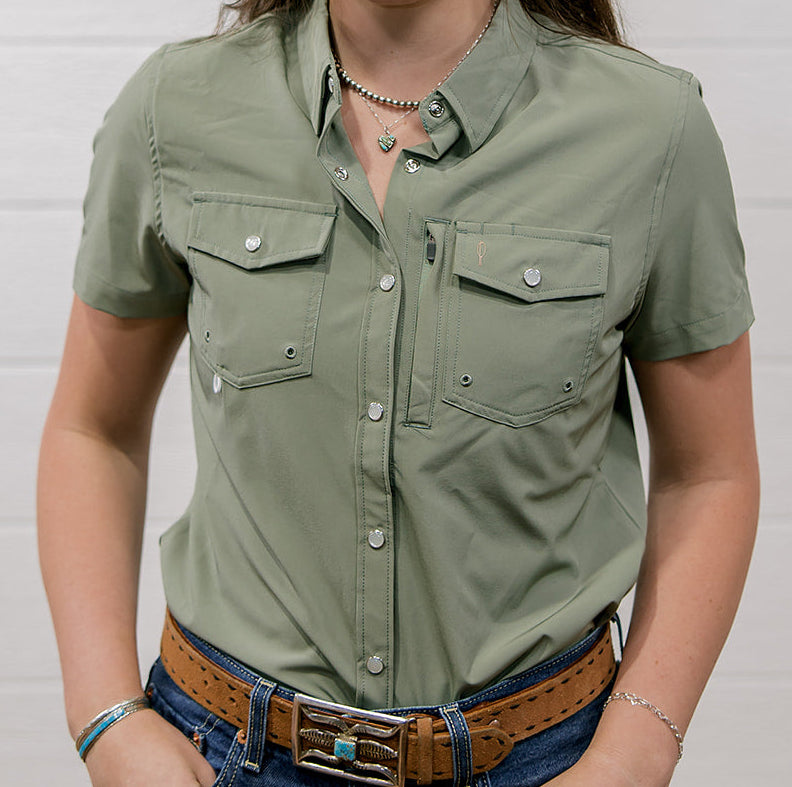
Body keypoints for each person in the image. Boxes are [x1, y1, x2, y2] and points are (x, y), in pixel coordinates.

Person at [37, 1, 760, 785]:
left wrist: (637, 749)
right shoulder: (174, 109)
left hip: (546, 760)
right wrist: (104, 714)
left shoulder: (652, 129)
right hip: (220, 753)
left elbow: (709, 472)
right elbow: (92, 429)